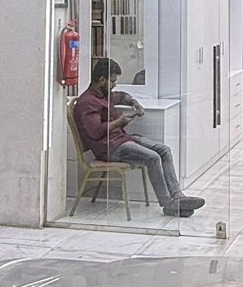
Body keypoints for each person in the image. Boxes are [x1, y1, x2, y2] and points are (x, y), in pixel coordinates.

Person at [74, 57, 204, 217]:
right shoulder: (87, 102)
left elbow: (121, 96)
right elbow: (95, 131)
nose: (114, 84)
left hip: (121, 139)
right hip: (108, 148)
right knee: (153, 158)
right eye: (112, 81)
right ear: (102, 80)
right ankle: (168, 204)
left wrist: (133, 102)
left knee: (164, 150)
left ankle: (177, 195)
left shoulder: (104, 94)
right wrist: (118, 122)